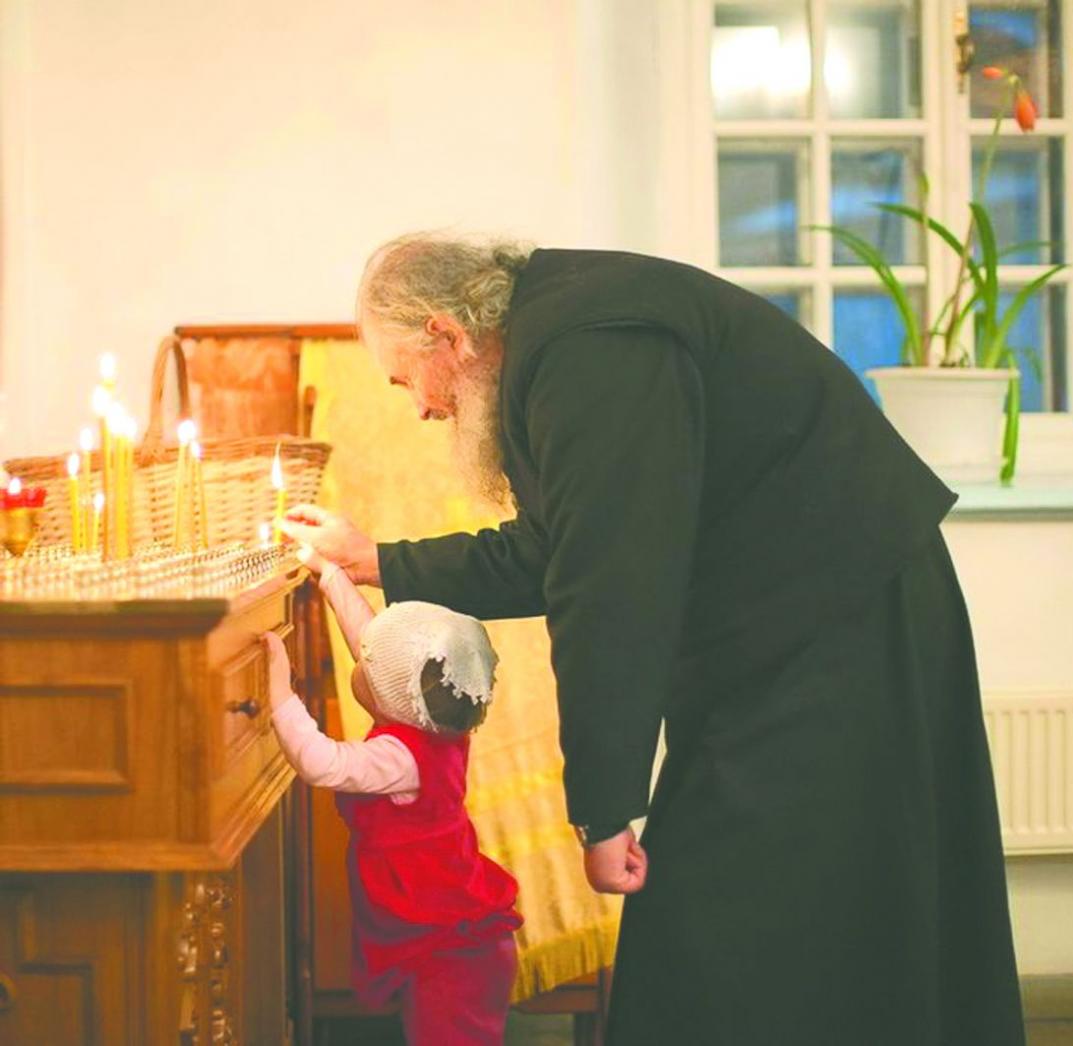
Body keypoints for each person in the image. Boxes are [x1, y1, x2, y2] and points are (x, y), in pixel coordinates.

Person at [282, 236, 1026, 1044]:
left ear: (446, 335)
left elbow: (606, 587)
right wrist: (379, 561)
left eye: (406, 382)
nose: (422, 410)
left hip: (846, 618)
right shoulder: (558, 341)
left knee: (736, 913)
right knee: (768, 914)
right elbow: (556, 549)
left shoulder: (587, 348)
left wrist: (604, 813)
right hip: (799, 623)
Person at [261, 544, 522, 1045]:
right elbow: (374, 645)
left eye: (370, 670)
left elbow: (321, 762)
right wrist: (331, 575)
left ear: (395, 696)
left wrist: (279, 696)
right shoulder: (433, 719)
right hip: (455, 938)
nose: (363, 662)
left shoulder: (400, 757)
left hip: (451, 955)